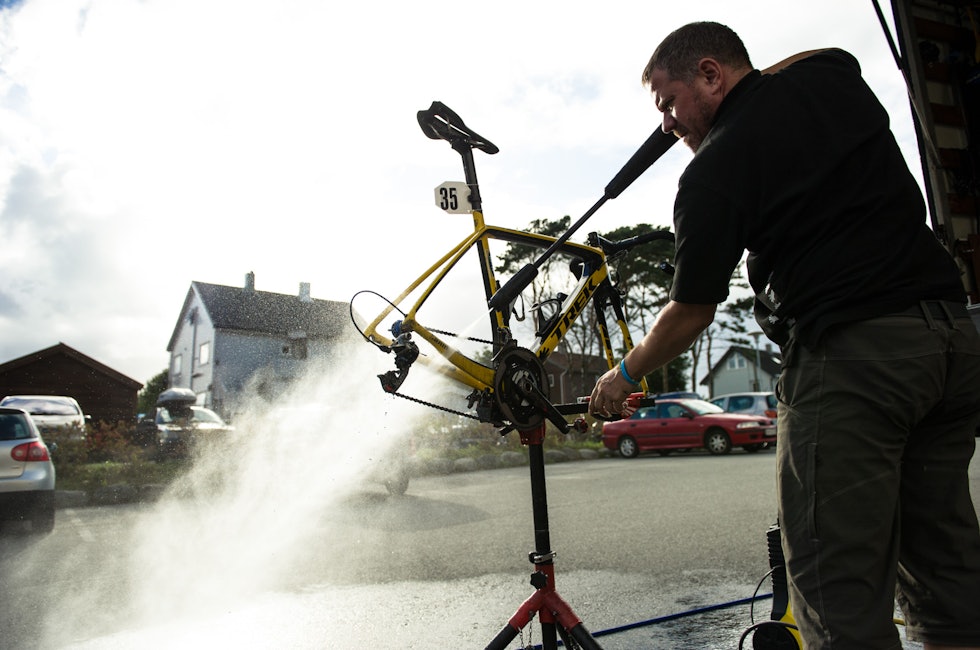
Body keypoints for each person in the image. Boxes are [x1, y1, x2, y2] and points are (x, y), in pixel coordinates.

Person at [589, 21, 980, 650]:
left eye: (668, 103)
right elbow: (827, 53)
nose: (665, 125)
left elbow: (690, 311)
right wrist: (750, 85)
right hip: (951, 344)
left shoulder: (713, 170)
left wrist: (623, 375)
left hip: (857, 360)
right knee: (945, 567)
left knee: (836, 591)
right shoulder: (829, 76)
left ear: (712, 74)